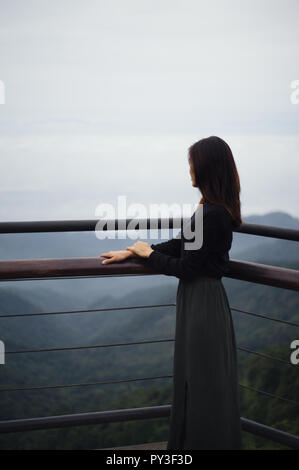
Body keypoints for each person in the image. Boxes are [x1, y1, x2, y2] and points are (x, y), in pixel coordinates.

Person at [99, 135, 243, 450]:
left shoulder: (214, 214)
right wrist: (135, 251)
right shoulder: (209, 210)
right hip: (197, 300)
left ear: (204, 166)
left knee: (204, 379)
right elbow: (181, 245)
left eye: (191, 162)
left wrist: (148, 255)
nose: (188, 168)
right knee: (194, 375)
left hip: (203, 302)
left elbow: (187, 266)